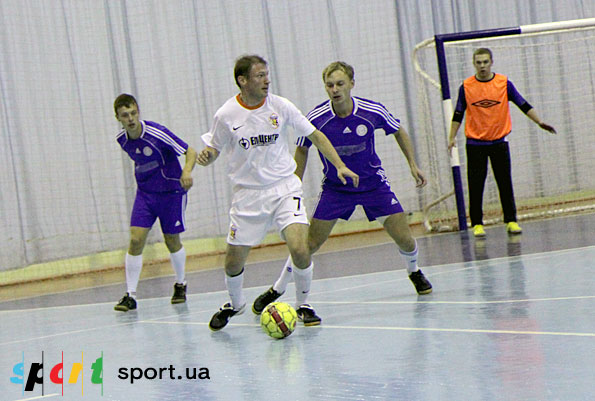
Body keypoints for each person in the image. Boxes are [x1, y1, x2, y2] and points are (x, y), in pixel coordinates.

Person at [251, 61, 433, 317]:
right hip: (336, 190)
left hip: (373, 185)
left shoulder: (371, 111)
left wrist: (413, 164)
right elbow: (302, 148)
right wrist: (294, 186)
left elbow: (398, 131)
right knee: (308, 244)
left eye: (340, 84)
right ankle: (277, 289)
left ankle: (414, 271)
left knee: (404, 237)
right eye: (329, 85)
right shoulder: (316, 118)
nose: (335, 89)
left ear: (351, 84)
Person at [197, 55, 359, 331]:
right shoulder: (226, 115)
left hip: (285, 187)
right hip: (248, 195)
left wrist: (340, 165)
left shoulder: (281, 106)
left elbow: (316, 136)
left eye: (266, 74)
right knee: (233, 262)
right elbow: (214, 148)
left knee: (300, 248)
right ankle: (235, 304)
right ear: (242, 81)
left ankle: (303, 304)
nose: (266, 80)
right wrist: (206, 157)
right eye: (259, 76)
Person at [448, 48, 556, 237]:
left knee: (505, 183)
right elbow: (458, 113)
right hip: (475, 145)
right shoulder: (466, 87)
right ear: (474, 64)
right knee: (476, 185)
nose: (482, 66)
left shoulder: (503, 83)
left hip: (499, 143)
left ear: (491, 62)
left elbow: (523, 104)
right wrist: (451, 137)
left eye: (485, 62)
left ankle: (511, 220)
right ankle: (477, 224)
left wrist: (539, 121)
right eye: (478, 62)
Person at [113, 94, 197, 311]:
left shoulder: (156, 133)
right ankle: (130, 295)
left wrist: (186, 171)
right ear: (118, 118)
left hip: (171, 193)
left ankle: (181, 284)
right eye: (125, 115)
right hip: (145, 194)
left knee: (172, 240)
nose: (130, 119)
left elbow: (190, 152)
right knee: (135, 239)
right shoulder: (122, 140)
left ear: (138, 112)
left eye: (133, 113)